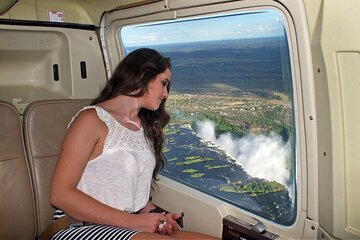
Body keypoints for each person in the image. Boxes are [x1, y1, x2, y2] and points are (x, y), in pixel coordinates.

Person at [49, 48, 219, 239]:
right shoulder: (91, 120)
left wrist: (157, 218)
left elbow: (129, 198)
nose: (166, 94)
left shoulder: (144, 128)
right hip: (82, 227)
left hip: (127, 226)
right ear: (144, 75)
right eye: (164, 84)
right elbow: (60, 194)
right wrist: (133, 222)